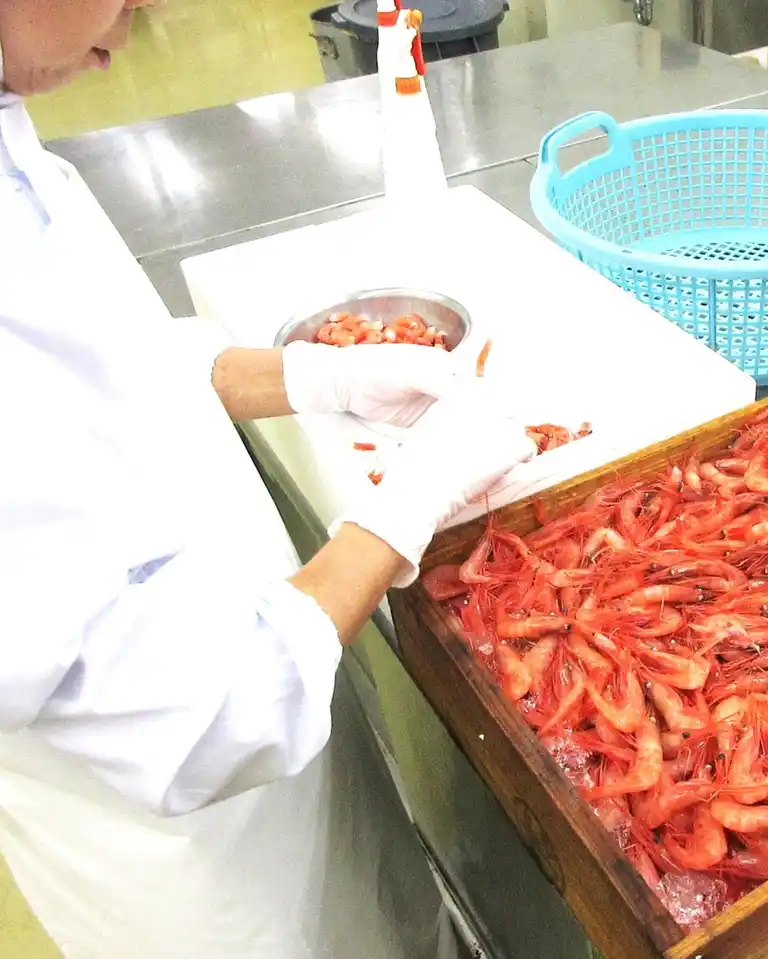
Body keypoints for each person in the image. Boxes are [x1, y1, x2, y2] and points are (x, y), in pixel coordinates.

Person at [0, 1, 536, 956]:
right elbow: (206, 717)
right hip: (201, 865)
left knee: (381, 901)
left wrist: (310, 376)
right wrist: (405, 506)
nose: (135, 23)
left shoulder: (13, 114)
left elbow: (101, 367)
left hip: (279, 717)